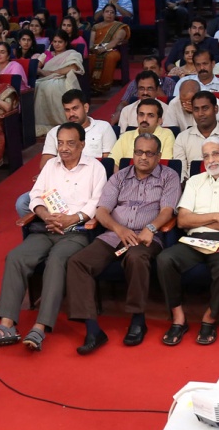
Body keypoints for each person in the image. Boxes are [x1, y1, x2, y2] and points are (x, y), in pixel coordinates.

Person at [0, 124, 106, 353]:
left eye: (70, 143)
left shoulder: (95, 168)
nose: (63, 148)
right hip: (46, 227)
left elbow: (97, 203)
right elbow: (35, 195)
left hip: (75, 232)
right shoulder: (51, 167)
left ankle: (40, 326)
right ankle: (6, 325)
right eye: (60, 143)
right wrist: (45, 215)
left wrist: (73, 218)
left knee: (57, 261)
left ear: (82, 145)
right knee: (16, 256)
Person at [64, 133, 182, 354]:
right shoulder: (119, 177)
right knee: (78, 262)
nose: (143, 157)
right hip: (114, 235)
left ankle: (138, 319)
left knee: (136, 257)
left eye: (149, 153)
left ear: (158, 156)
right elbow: (102, 210)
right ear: (133, 153)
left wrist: (151, 228)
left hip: (146, 237)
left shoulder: (169, 176)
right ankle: (93, 329)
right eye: (139, 152)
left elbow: (167, 210)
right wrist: (119, 229)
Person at [155, 137, 219, 346]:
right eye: (206, 156)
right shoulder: (194, 182)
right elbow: (182, 220)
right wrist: (218, 216)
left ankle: (210, 317)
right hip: (193, 240)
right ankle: (178, 317)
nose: (211, 160)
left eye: (216, 153)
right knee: (164, 259)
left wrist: (199, 219)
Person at [173, 90, 219, 172]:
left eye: (205, 108)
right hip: (191, 183)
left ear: (216, 109)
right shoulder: (182, 138)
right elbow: (181, 172)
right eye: (196, 109)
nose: (200, 113)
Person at [34, 31, 85, 137]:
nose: (56, 44)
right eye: (55, 42)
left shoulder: (72, 54)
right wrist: (42, 72)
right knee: (39, 86)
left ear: (66, 42)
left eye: (60, 42)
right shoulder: (46, 54)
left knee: (54, 86)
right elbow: (34, 66)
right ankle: (46, 123)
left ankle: (64, 121)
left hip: (62, 78)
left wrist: (53, 73)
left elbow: (74, 67)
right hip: (44, 78)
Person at [88, 4, 129, 91]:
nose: (109, 14)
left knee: (110, 57)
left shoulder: (120, 26)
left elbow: (116, 41)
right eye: (107, 12)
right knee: (90, 57)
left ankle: (103, 86)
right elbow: (91, 41)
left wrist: (103, 49)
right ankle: (91, 84)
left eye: (112, 12)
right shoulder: (96, 26)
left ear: (115, 15)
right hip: (97, 49)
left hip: (112, 50)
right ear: (103, 13)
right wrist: (92, 48)